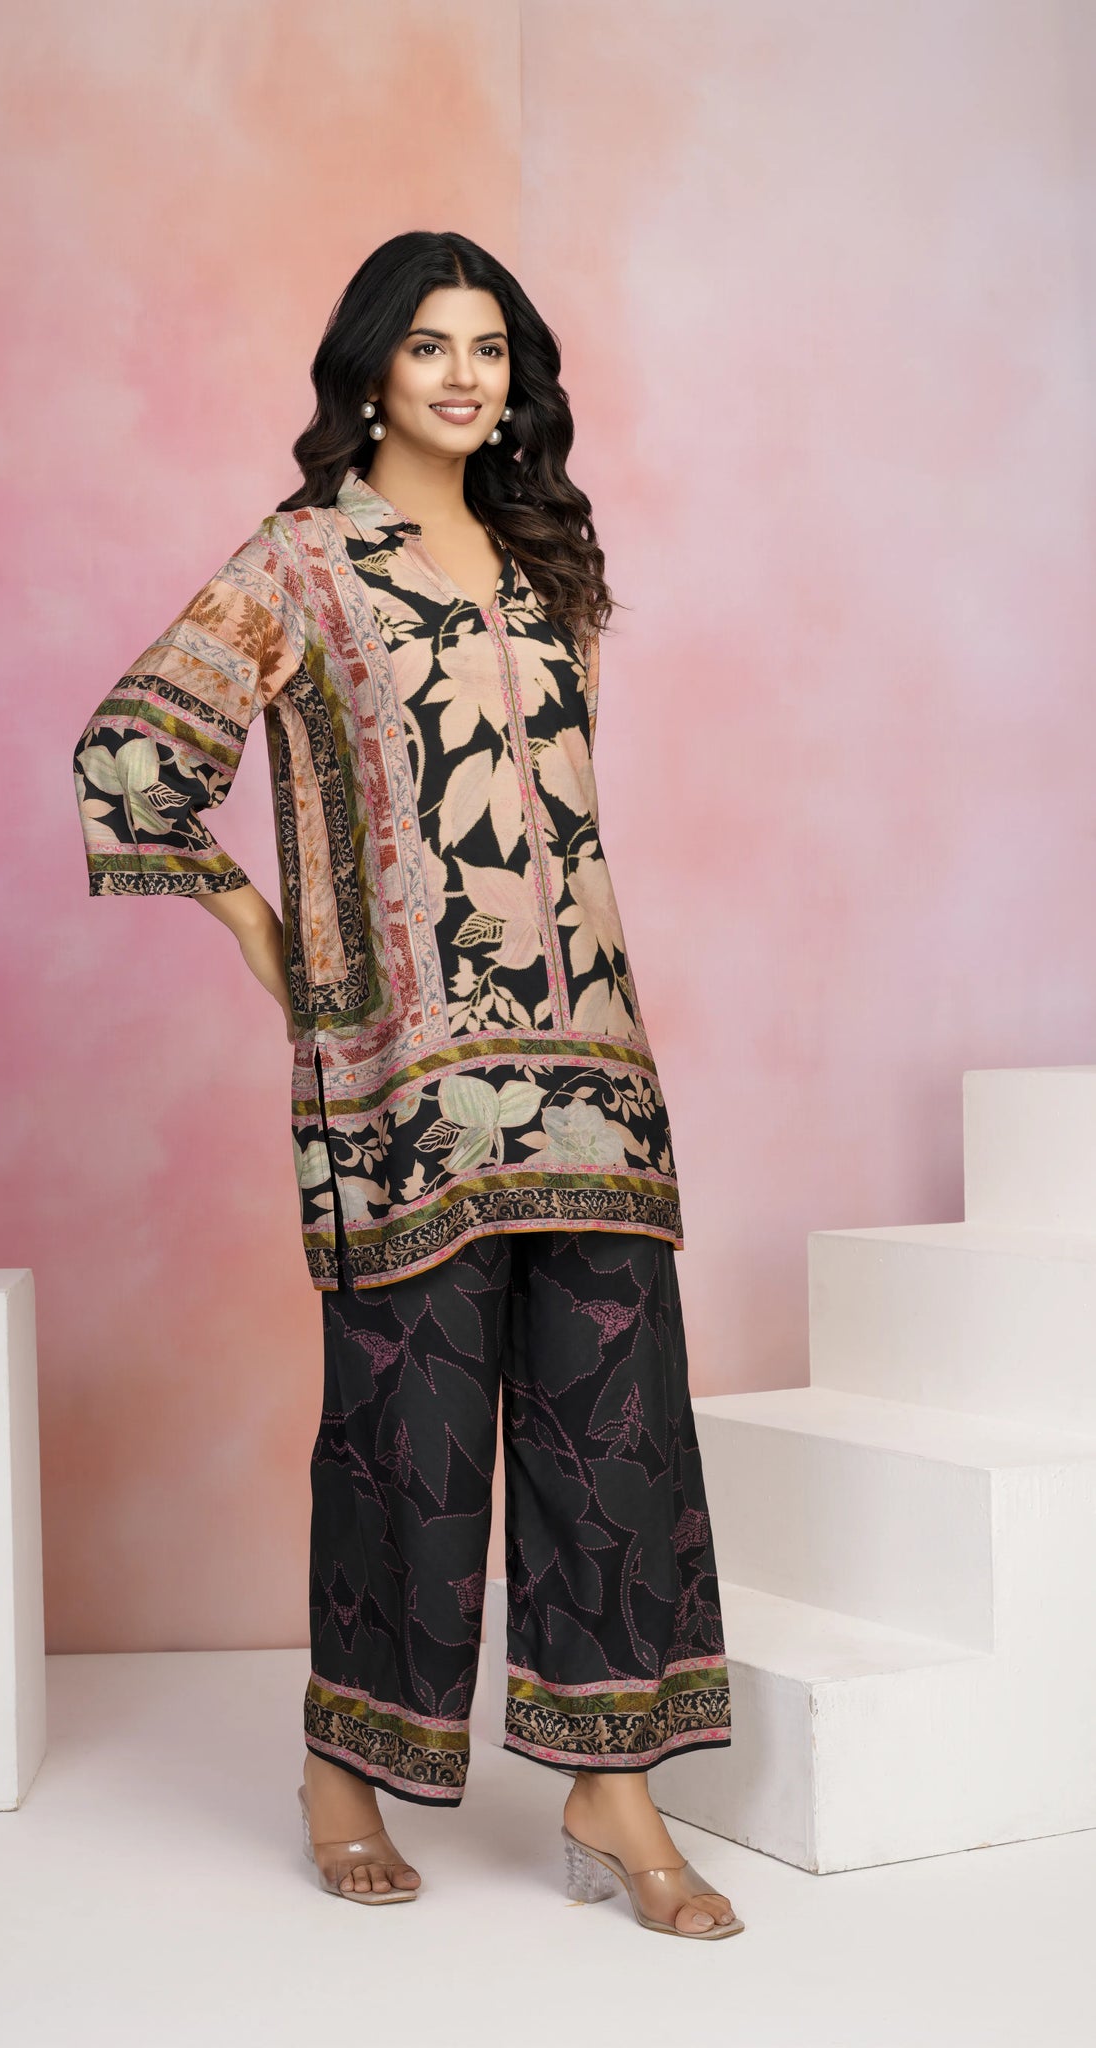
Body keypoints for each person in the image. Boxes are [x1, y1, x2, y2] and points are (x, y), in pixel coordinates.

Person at [73, 232, 743, 1938]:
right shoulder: (302, 561)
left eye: (489, 348)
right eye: (430, 344)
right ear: (370, 366)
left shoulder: (545, 558)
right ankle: (345, 1771)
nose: (463, 374)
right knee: (409, 1437)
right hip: (405, 1080)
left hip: (590, 1065)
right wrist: (266, 936)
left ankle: (610, 1785)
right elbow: (132, 757)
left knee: (614, 1427)